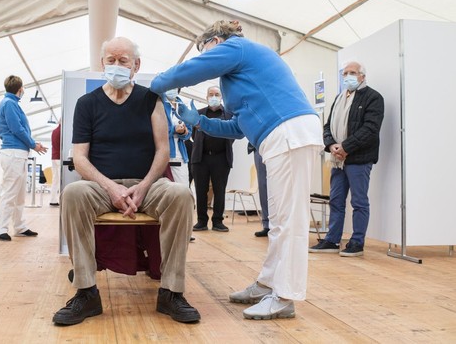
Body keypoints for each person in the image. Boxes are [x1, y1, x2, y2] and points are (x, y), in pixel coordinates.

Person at [151, 20, 323, 320]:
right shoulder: (236, 77)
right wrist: (198, 121)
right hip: (277, 136)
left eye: (206, 51)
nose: (207, 58)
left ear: (216, 41)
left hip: (289, 132)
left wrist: (157, 83)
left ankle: (285, 297)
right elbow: (237, 127)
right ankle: (267, 283)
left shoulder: (238, 47)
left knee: (289, 221)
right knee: (279, 220)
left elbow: (193, 69)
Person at [53, 37, 200, 326]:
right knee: (72, 194)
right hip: (101, 186)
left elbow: (163, 150)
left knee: (181, 195)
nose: (116, 66)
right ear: (102, 63)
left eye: (123, 61)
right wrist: (111, 187)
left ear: (136, 65)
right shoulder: (87, 104)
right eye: (111, 60)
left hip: (147, 184)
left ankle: (171, 292)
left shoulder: (150, 100)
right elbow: (80, 158)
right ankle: (86, 292)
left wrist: (143, 186)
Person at [309, 61, 384, 257]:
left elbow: (370, 129)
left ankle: (357, 242)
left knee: (359, 202)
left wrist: (346, 147)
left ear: (362, 76)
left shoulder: (374, 98)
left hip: (359, 159)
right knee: (336, 200)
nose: (348, 76)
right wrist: (332, 145)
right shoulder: (339, 98)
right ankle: (332, 240)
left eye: (353, 72)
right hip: (338, 159)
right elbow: (327, 127)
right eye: (346, 73)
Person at [0, 75, 47, 241]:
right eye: (23, 88)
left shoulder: (11, 103)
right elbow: (17, 129)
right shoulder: (10, 104)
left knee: (19, 195)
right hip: (13, 153)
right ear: (20, 89)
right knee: (10, 193)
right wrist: (33, 144)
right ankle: (1, 229)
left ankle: (19, 226)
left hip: (18, 154)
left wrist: (32, 144)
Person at [190, 86, 233, 232]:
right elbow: (193, 135)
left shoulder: (228, 114)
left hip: (221, 157)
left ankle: (217, 221)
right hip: (201, 158)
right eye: (211, 94)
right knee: (200, 190)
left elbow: (233, 134)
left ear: (221, 96)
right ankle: (201, 221)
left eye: (216, 94)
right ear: (206, 96)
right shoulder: (198, 113)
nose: (213, 97)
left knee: (219, 190)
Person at [162, 89, 192, 185]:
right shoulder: (158, 104)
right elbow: (156, 131)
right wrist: (174, 130)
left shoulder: (183, 106)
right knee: (163, 192)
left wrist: (183, 132)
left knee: (183, 189)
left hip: (179, 155)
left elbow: (188, 132)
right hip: (162, 155)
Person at [247, 143, 270, 237]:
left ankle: (281, 224)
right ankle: (267, 225)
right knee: (263, 186)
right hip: (259, 147)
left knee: (280, 186)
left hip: (278, 145)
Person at [50, 121, 61, 206]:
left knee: (55, 180)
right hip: (59, 157)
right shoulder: (62, 131)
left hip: (54, 156)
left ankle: (53, 200)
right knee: (61, 180)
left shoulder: (54, 131)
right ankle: (62, 200)